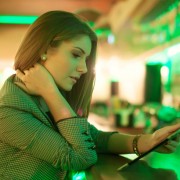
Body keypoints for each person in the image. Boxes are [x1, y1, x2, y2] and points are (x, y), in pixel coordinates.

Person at [0, 10, 179, 180]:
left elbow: (93, 138)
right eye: (76, 54)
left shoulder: (37, 97)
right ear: (44, 50)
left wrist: (146, 141)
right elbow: (80, 157)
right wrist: (50, 91)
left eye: (85, 59)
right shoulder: (8, 111)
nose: (84, 69)